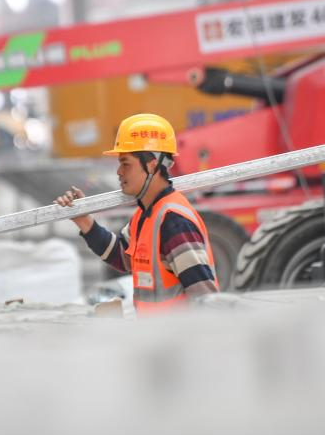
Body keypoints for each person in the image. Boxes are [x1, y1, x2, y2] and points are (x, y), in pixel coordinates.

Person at [55, 113, 218, 313]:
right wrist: (83, 220)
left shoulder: (174, 221)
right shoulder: (145, 215)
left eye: (126, 164)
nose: (119, 172)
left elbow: (206, 301)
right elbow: (122, 257)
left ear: (151, 165)